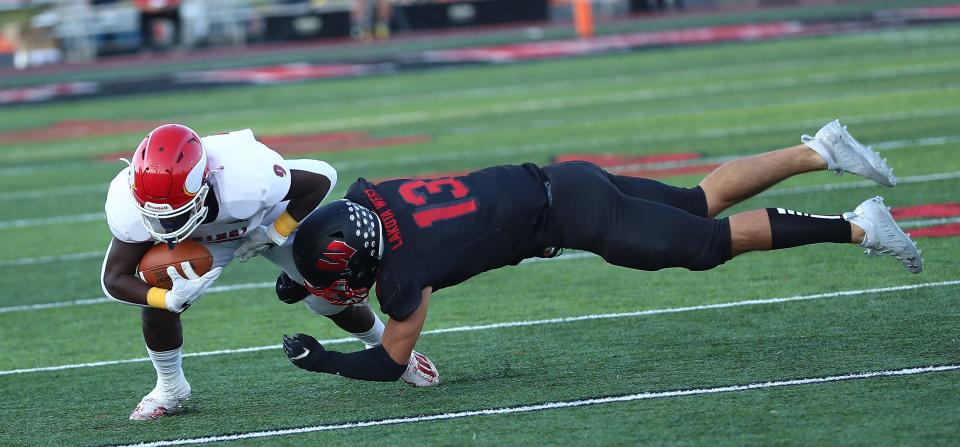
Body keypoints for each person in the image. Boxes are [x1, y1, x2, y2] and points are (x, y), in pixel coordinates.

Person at [280, 120, 922, 383]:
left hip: (579, 215)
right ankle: (821, 150)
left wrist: (326, 362)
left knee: (707, 245)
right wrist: (304, 270)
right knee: (696, 203)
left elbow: (392, 363)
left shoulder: (403, 276)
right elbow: (334, 229)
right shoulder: (369, 195)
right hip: (565, 177)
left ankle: (859, 226)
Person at [100, 125, 439, 421]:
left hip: (262, 217)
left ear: (203, 184)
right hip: (201, 240)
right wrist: (167, 298)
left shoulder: (247, 179)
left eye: (176, 212)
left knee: (328, 292)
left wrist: (277, 230)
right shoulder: (131, 206)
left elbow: (322, 176)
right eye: (157, 215)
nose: (165, 225)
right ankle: (170, 389)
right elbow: (113, 279)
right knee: (154, 293)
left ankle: (386, 348)